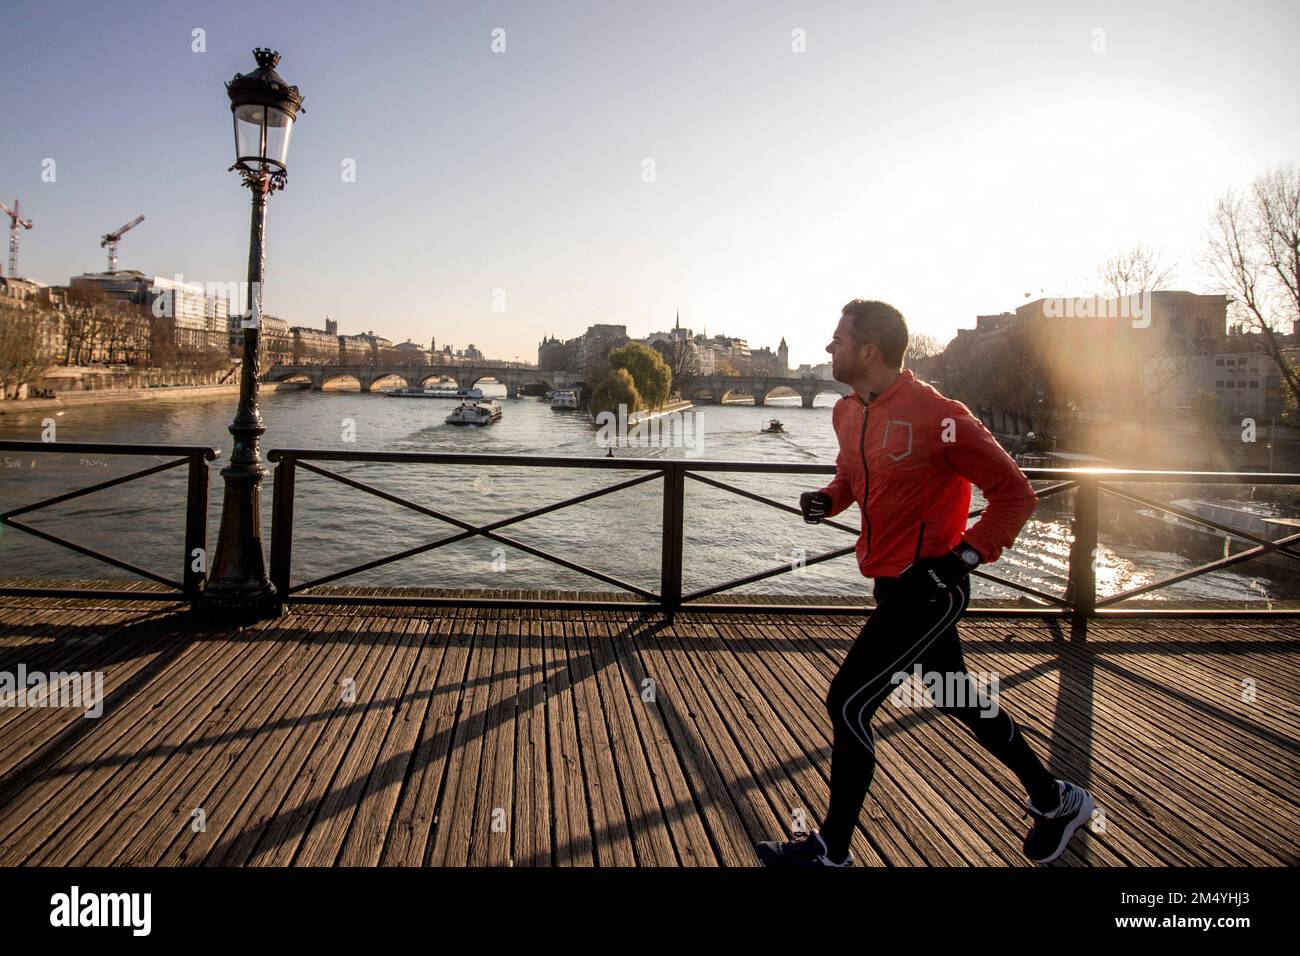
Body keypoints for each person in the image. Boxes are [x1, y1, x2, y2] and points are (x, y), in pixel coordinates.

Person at [756, 299, 1095, 868]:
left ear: (868, 351)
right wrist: (831, 498)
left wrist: (960, 559)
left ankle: (830, 851)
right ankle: (1055, 799)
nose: (827, 348)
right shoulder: (847, 412)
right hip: (891, 584)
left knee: (848, 703)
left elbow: (1016, 495)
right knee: (956, 695)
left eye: (837, 339)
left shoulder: (939, 414)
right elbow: (853, 475)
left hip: (932, 589)